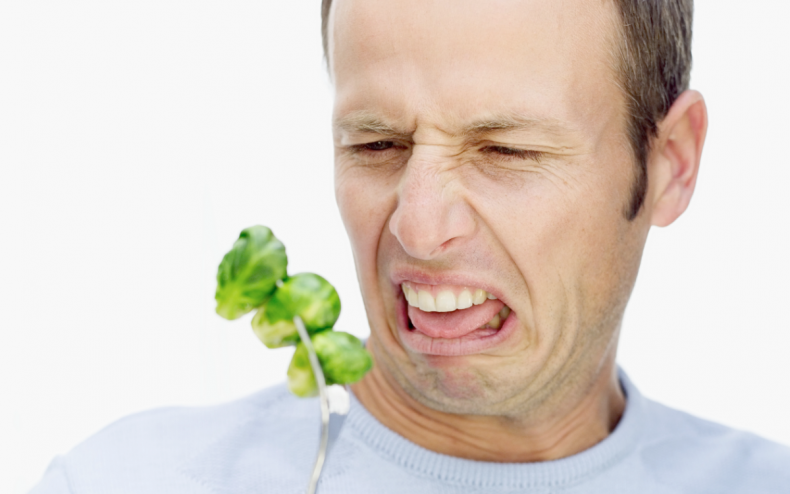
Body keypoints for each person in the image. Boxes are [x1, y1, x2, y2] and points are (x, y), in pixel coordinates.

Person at [30, 0, 790, 492]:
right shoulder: (129, 479)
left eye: (507, 152)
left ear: (670, 165)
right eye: (377, 143)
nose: (417, 230)